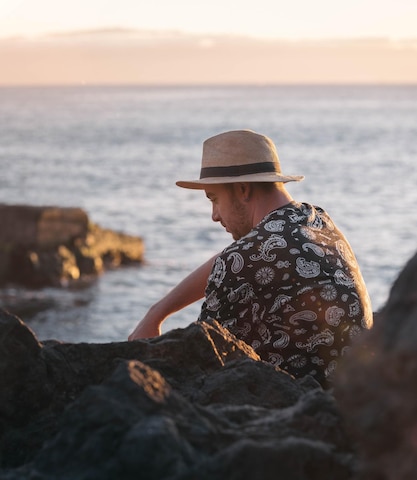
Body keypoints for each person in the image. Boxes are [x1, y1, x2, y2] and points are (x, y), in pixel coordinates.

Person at [129, 129, 373, 387]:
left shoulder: (246, 259)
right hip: (361, 394)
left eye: (214, 199)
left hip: (302, 409)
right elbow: (234, 257)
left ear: (243, 189)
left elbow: (199, 359)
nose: (214, 215)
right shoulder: (317, 220)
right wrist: (158, 311)